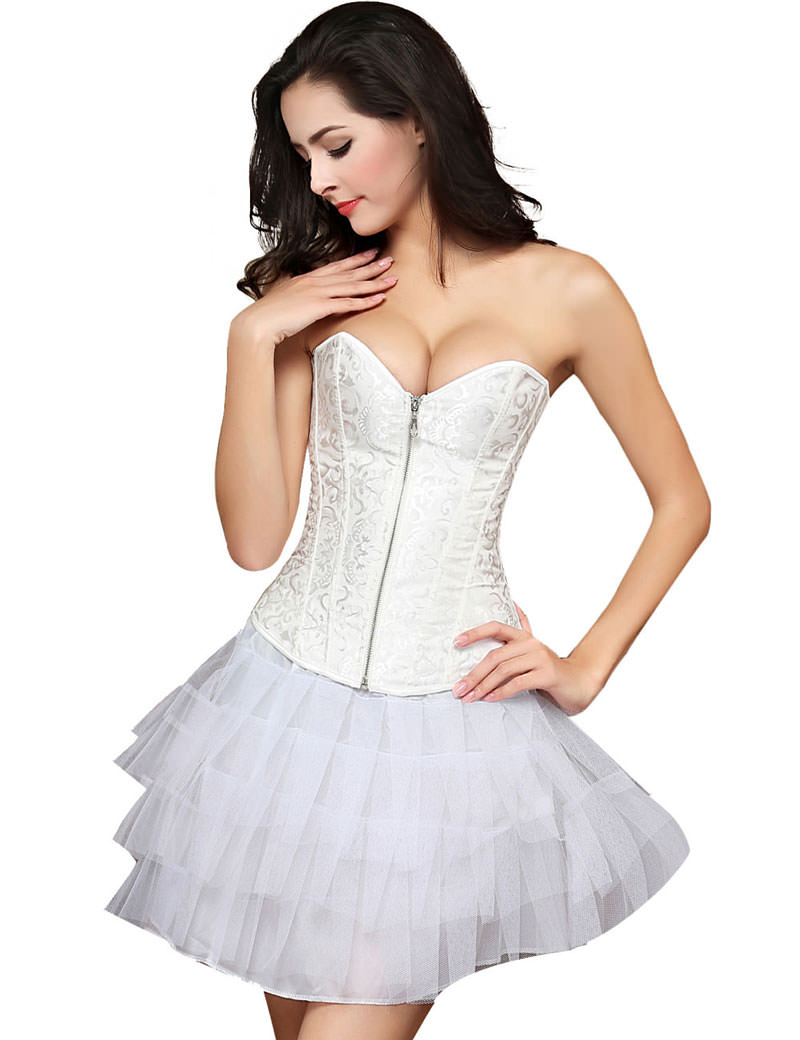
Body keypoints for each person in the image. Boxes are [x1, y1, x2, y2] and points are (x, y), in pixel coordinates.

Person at [104, 3, 710, 1038]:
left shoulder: (569, 291)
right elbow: (254, 540)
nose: (318, 178)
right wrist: (252, 338)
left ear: (418, 118)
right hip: (285, 707)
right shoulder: (310, 295)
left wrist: (585, 665)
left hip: (448, 725)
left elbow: (681, 502)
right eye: (302, 156)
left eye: (337, 145)